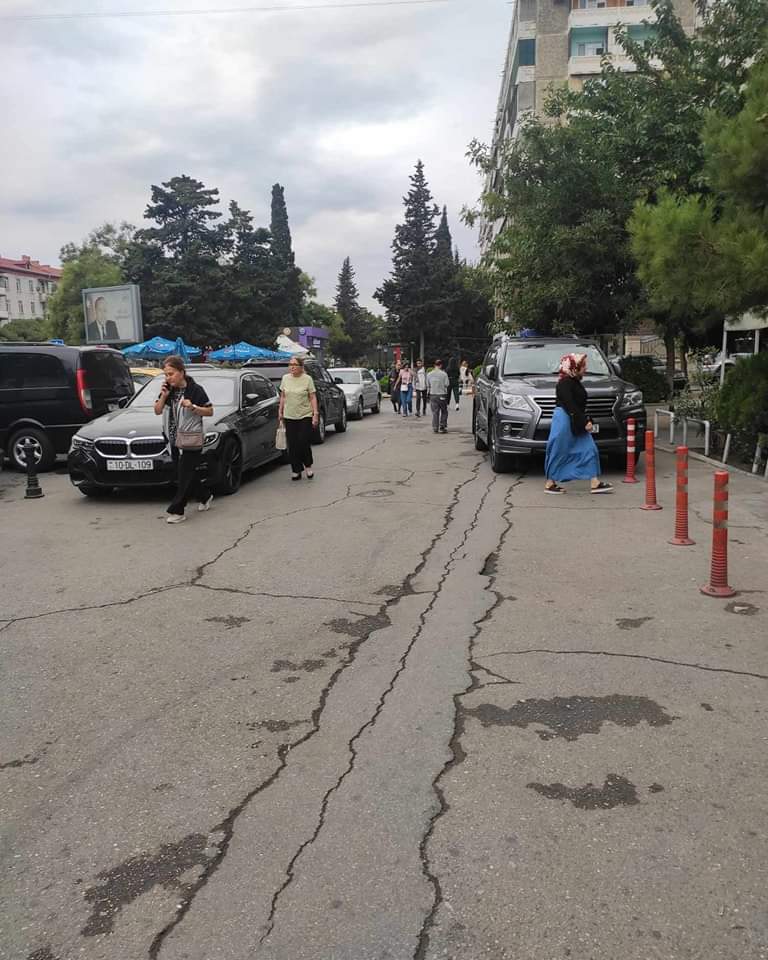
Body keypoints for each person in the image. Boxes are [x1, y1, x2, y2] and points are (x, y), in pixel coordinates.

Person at [154, 355, 214, 523]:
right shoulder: (168, 390)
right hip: (173, 440)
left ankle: (177, 510)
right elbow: (157, 410)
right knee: (187, 474)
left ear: (181, 372)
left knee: (184, 476)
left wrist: (193, 406)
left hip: (190, 439)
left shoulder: (196, 390)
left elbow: (210, 411)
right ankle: (205, 495)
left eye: (171, 374)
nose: (168, 378)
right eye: (166, 374)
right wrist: (164, 396)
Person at [543, 353, 613, 495]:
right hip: (564, 420)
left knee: (589, 449)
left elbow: (578, 405)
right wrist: (584, 421)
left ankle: (595, 482)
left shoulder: (574, 382)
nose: (585, 369)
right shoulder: (564, 383)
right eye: (583, 366)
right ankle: (550, 483)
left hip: (575, 419)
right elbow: (569, 404)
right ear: (574, 368)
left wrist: (586, 419)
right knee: (559, 450)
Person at [278, 355, 319, 480]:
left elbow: (312, 397)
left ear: (301, 367)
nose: (292, 367)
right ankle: (296, 470)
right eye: (290, 365)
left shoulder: (307, 379)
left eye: (295, 365)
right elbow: (283, 396)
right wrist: (280, 411)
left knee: (303, 441)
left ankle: (308, 466)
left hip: (304, 415)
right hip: (289, 415)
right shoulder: (285, 378)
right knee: (293, 444)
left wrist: (315, 414)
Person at [427, 358, 450, 433]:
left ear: (434, 365)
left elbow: (428, 385)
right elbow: (447, 384)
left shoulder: (429, 374)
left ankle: (435, 427)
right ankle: (442, 426)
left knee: (435, 412)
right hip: (442, 394)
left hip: (433, 394)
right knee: (444, 411)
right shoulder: (444, 374)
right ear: (441, 365)